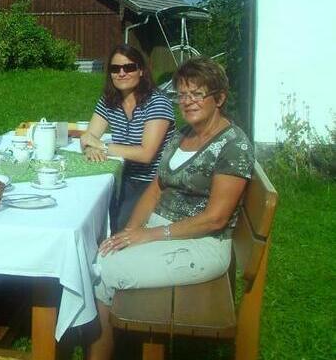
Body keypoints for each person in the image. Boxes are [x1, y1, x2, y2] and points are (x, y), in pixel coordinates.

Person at [86, 57, 253, 360]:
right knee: (98, 253)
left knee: (102, 269)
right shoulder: (184, 135)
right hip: (166, 231)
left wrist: (149, 235)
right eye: (182, 95)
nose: (187, 102)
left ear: (219, 98)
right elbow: (156, 187)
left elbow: (215, 219)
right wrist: (131, 230)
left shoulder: (233, 146)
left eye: (197, 94)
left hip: (201, 245)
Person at [80, 44, 175, 232]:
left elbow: (146, 154)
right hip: (123, 177)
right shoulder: (109, 101)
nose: (121, 73)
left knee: (118, 230)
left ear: (141, 70)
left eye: (129, 67)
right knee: (85, 209)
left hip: (154, 183)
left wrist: (102, 146)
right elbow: (88, 137)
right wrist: (90, 148)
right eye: (115, 69)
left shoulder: (157, 102)